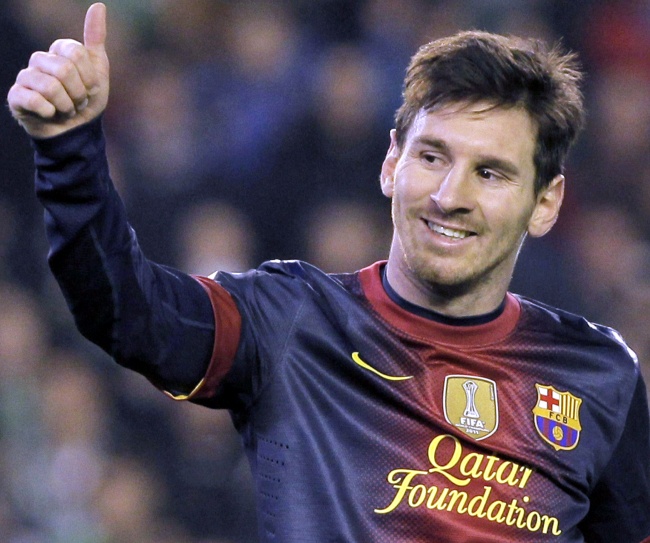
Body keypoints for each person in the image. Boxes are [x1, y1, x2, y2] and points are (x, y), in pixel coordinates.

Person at [7, 3, 650, 542]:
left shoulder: (599, 377)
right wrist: (69, 149)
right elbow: (125, 307)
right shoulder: (291, 321)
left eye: (490, 172)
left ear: (545, 202)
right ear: (391, 164)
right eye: (432, 156)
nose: (450, 195)